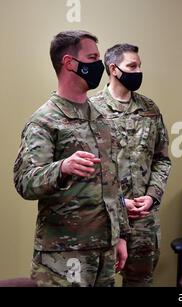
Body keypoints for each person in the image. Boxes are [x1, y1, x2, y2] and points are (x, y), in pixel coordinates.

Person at [13, 30, 131, 287]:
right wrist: (62, 167)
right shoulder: (44, 121)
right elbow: (25, 181)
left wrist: (121, 236)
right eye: (92, 57)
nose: (99, 65)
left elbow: (113, 184)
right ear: (69, 63)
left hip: (105, 251)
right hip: (64, 254)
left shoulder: (102, 119)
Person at [91, 43, 171, 287]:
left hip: (142, 217)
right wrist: (118, 201)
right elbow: (87, 167)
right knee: (98, 281)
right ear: (114, 69)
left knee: (140, 281)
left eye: (139, 66)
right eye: (132, 66)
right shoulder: (91, 110)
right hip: (103, 215)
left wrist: (152, 196)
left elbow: (162, 159)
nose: (138, 71)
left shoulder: (149, 110)